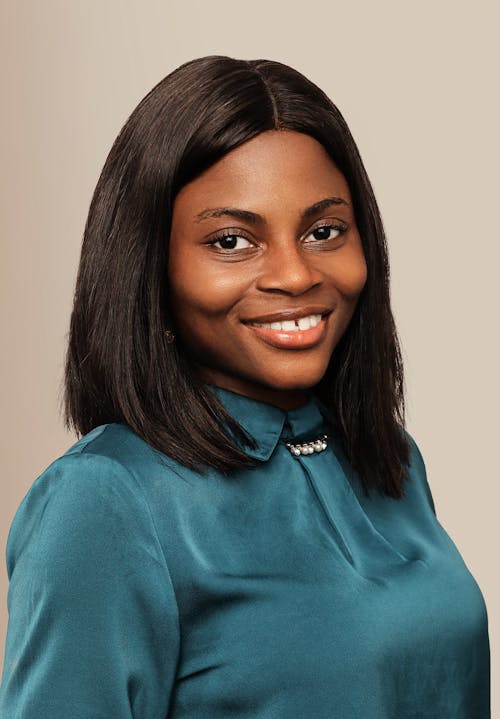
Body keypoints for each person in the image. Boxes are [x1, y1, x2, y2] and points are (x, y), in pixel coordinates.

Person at [0, 55, 490, 718]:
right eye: (232, 240)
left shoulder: (391, 456)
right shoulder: (106, 500)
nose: (294, 273)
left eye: (324, 231)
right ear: (151, 266)